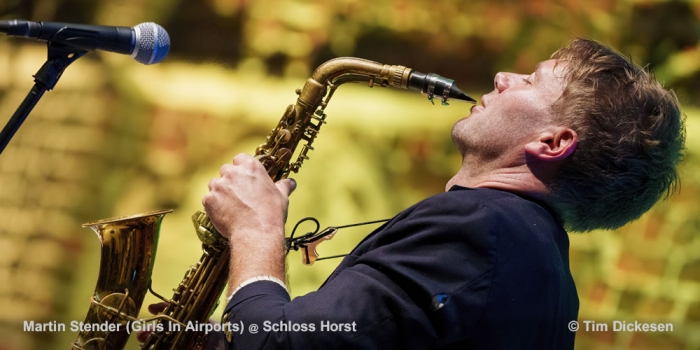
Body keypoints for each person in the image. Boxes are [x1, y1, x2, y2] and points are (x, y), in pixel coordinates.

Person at [193, 38, 684, 349]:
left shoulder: (475, 231)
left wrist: (256, 231)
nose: (501, 78)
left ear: (552, 143)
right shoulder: (548, 274)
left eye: (530, 80)